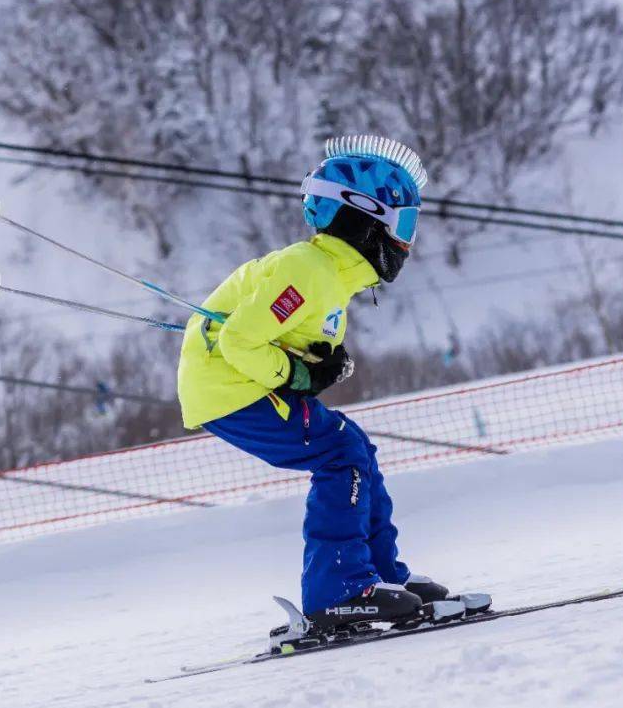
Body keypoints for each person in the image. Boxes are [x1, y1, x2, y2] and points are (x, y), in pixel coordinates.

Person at [177, 135, 448, 629]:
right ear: (365, 219)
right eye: (403, 225)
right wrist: (298, 374)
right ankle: (339, 590)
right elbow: (240, 343)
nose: (406, 242)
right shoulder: (308, 272)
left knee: (355, 448)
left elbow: (278, 335)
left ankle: (380, 577)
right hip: (230, 390)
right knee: (339, 454)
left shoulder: (328, 276)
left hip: (241, 386)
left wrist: (316, 364)